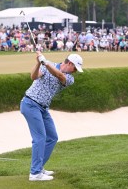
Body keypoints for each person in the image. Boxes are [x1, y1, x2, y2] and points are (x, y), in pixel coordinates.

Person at [20, 52, 83, 181]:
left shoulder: (69, 78)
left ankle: (39, 166)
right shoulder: (46, 64)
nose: (75, 71)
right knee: (40, 138)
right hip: (30, 104)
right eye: (75, 68)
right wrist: (38, 62)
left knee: (52, 137)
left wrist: (45, 62)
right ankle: (35, 173)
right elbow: (34, 76)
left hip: (43, 108)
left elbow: (58, 74)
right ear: (70, 63)